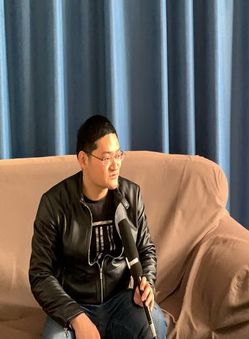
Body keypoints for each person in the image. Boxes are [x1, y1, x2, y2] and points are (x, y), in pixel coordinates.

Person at [29, 114, 167, 339]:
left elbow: (145, 250)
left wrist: (146, 282)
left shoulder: (131, 195)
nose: (115, 165)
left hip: (120, 302)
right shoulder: (54, 203)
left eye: (118, 155)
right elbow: (40, 273)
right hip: (73, 303)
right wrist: (77, 318)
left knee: (156, 324)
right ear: (83, 160)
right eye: (106, 158)